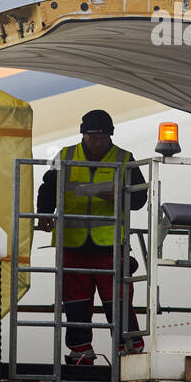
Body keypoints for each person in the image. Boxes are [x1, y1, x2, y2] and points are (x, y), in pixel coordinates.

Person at [36, 110, 147, 365]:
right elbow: (48, 188)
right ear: (83, 136)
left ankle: (129, 352)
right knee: (76, 304)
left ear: (110, 136)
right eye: (93, 138)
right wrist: (43, 214)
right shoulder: (65, 156)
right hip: (73, 244)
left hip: (109, 246)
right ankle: (80, 354)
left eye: (103, 138)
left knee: (117, 302)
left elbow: (140, 199)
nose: (98, 143)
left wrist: (117, 195)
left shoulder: (124, 158)